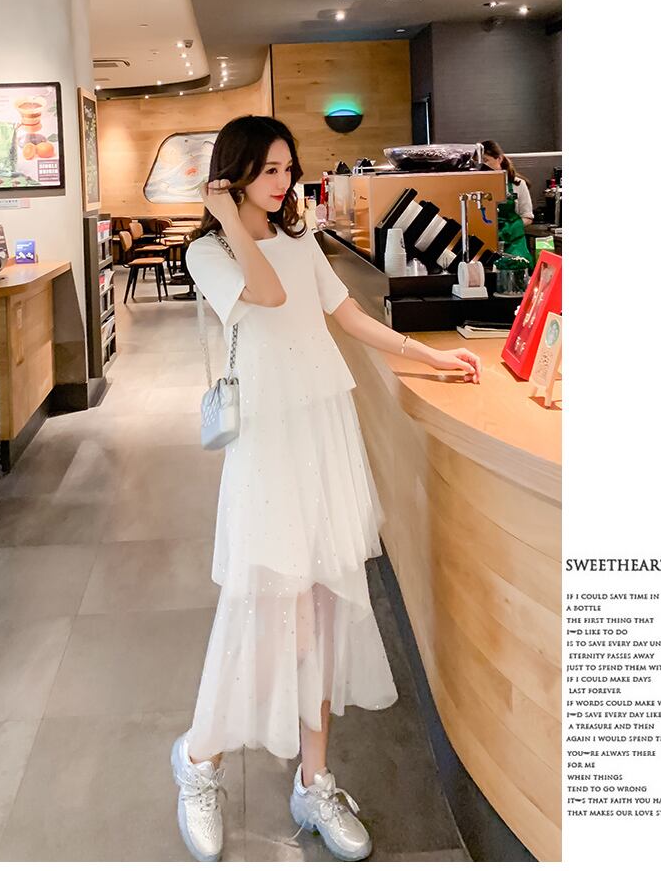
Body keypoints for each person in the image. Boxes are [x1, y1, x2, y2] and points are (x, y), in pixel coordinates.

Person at [172, 115, 482, 863]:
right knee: (257, 606)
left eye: (288, 169)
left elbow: (344, 313)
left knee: (322, 607)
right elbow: (268, 292)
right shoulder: (207, 251)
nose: (283, 184)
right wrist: (226, 216)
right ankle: (199, 761)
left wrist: (425, 356)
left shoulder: (301, 235)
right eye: (268, 171)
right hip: (267, 443)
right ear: (235, 173)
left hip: (322, 428)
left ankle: (314, 781)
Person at [481, 139, 534, 264]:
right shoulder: (476, 186)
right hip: (486, 240)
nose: (482, 165)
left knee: (516, 266)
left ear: (499, 159)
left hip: (514, 241)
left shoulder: (518, 184)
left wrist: (510, 229)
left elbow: (528, 217)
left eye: (485, 160)